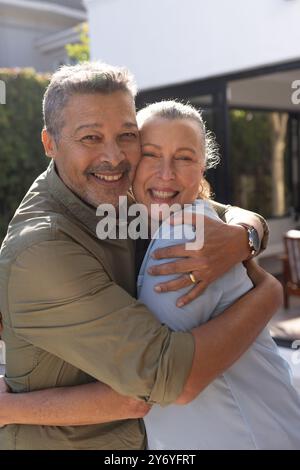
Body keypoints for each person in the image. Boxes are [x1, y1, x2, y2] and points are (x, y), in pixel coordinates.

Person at [0, 63, 281, 450]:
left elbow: (215, 208)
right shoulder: (44, 249)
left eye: (127, 136)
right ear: (50, 144)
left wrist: (245, 237)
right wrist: (270, 294)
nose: (114, 157)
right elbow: (161, 383)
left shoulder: (114, 195)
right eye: (91, 137)